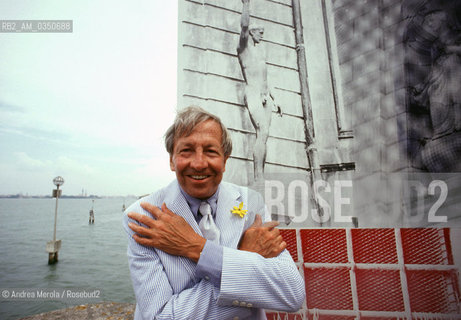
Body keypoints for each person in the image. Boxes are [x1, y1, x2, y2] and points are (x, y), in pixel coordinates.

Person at [123, 106, 305, 319]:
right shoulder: (143, 218)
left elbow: (292, 294)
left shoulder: (250, 203)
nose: (199, 163)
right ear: (172, 161)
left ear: (225, 161)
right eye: (186, 151)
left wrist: (196, 247)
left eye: (210, 151)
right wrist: (244, 261)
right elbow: (160, 316)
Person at [237, 0, 282, 183]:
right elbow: (244, 25)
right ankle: (258, 177)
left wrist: (275, 98)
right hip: (253, 93)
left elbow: (265, 79)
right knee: (262, 129)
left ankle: (260, 173)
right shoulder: (244, 50)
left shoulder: (261, 53)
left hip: (265, 96)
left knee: (264, 135)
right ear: (252, 33)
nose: (262, 35)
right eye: (260, 32)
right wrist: (246, 5)